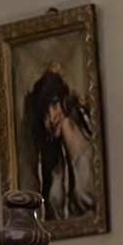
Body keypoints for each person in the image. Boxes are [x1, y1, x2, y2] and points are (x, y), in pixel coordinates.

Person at [22, 66, 101, 222]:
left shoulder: (90, 146)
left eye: (54, 105)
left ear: (64, 102)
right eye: (45, 112)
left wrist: (66, 125)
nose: (51, 117)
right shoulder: (53, 165)